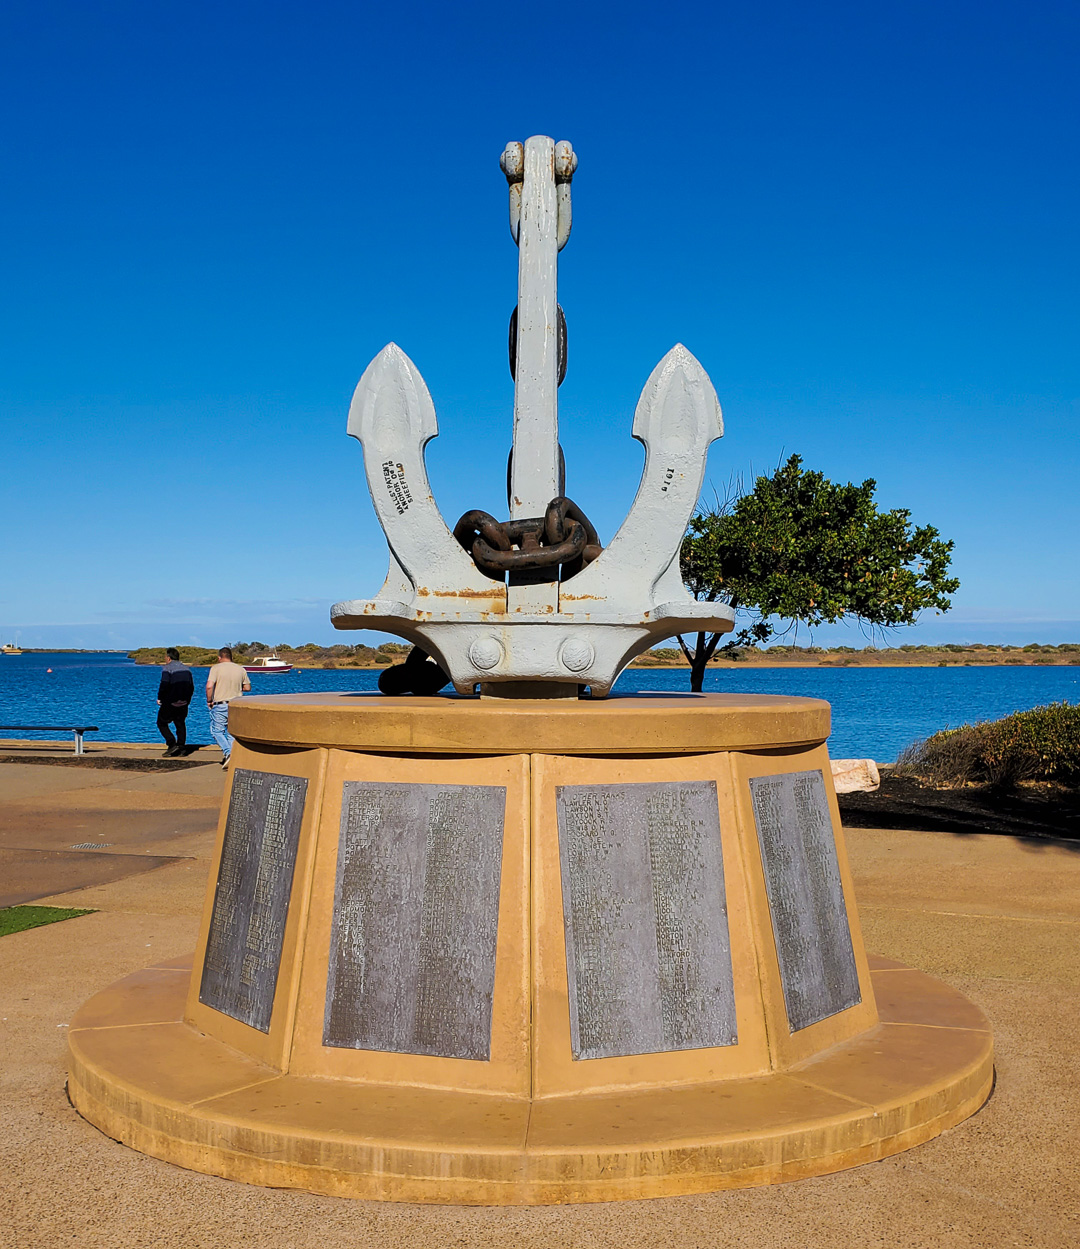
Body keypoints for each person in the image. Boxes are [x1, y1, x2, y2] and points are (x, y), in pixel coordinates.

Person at [206, 646, 251, 769]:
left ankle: (228, 752)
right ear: (231, 657)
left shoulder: (216, 668)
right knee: (231, 732)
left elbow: (209, 686)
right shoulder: (240, 669)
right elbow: (247, 687)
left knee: (216, 731)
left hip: (221, 704)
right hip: (236, 704)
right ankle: (232, 757)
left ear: (219, 657)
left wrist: (209, 700)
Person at [156, 647, 194, 757]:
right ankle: (181, 747)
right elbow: (191, 687)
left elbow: (164, 684)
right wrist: (188, 700)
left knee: (161, 723)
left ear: (168, 658)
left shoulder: (167, 668)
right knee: (180, 723)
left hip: (170, 701)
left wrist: (160, 698)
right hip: (184, 702)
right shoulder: (187, 669)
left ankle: (171, 743)